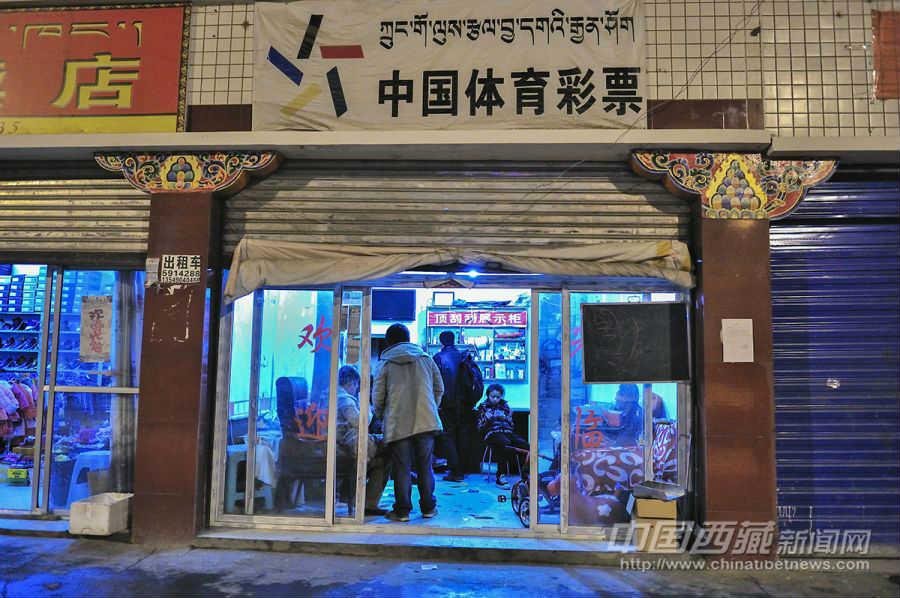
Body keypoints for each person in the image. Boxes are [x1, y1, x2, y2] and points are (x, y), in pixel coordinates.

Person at [373, 323, 444, 522]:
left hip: (398, 422)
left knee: (401, 467)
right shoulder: (426, 359)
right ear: (408, 338)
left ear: (388, 341)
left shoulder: (386, 362)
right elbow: (439, 388)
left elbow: (378, 395)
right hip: (425, 421)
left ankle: (402, 511)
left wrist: (382, 415)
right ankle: (428, 508)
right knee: (425, 466)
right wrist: (430, 407)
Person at [335, 365, 390, 516]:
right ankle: (369, 503)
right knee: (386, 456)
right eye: (356, 386)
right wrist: (366, 407)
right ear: (351, 383)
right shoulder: (344, 400)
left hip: (342, 446)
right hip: (348, 447)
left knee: (381, 459)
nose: (356, 389)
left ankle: (363, 501)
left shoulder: (330, 395)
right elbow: (361, 422)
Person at [475, 384, 529, 488]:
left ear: (501, 396)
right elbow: (479, 427)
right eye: (493, 396)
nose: (495, 399)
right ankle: (500, 476)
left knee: (525, 445)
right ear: (488, 395)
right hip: (492, 433)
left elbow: (512, 425)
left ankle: (525, 475)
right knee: (504, 443)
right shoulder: (483, 407)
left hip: (507, 432)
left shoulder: (505, 406)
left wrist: (506, 418)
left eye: (498, 397)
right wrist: (488, 419)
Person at [432, 330, 466, 482]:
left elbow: (434, 382)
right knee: (460, 436)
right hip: (464, 404)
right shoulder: (463, 356)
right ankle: (462, 469)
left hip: (446, 403)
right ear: (455, 340)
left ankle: (455, 471)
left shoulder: (438, 358)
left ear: (441, 341)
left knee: (447, 437)